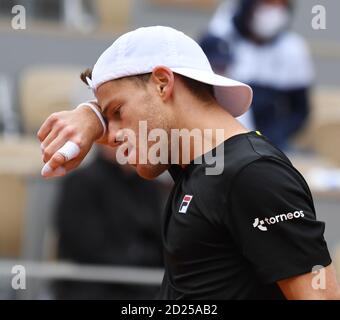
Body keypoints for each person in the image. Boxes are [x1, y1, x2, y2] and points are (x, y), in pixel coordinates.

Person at [37, 26, 340, 299]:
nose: (112, 136)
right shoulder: (197, 167)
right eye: (108, 118)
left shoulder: (253, 174)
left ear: (162, 83)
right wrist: (92, 116)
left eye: (117, 112)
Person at [53, 145, 165, 299]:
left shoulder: (147, 185)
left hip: (146, 285)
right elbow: (85, 248)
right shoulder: (81, 182)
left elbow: (159, 239)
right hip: (94, 286)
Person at [200, 0, 314, 150]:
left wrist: (274, 137)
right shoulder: (219, 39)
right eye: (268, 4)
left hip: (265, 140)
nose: (273, 13)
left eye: (280, 7)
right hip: (217, 136)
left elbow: (300, 110)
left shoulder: (292, 48)